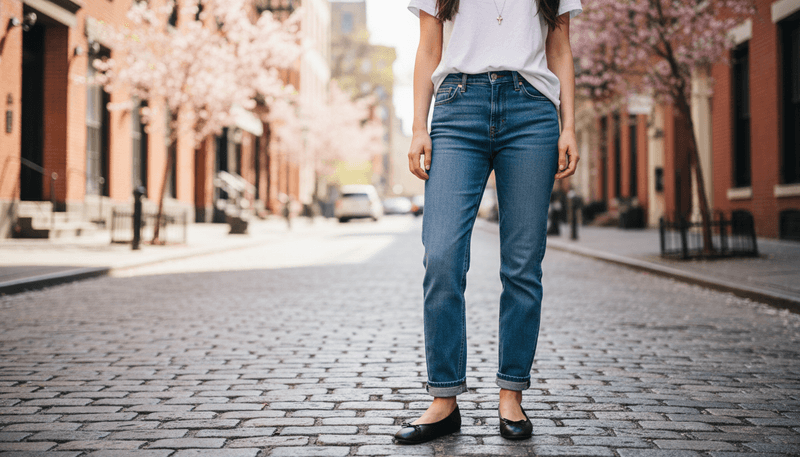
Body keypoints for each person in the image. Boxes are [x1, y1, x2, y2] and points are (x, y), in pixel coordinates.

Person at [394, 0, 582, 444]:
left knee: (522, 264)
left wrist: (568, 125)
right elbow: (427, 48)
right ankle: (444, 399)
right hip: (458, 108)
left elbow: (560, 48)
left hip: (532, 110)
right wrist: (419, 126)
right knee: (441, 256)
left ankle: (511, 393)